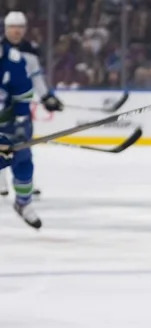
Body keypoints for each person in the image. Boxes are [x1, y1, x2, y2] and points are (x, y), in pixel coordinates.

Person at [1, 12, 60, 204]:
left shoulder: (30, 52)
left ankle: (26, 183)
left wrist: (46, 97)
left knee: (23, 146)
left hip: (19, 107)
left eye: (20, 27)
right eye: (12, 27)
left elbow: (36, 78)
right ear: (6, 28)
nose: (16, 31)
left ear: (25, 29)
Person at [0, 27, 38, 229]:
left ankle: (23, 203)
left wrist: (22, 123)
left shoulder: (13, 60)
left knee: (22, 160)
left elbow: (23, 94)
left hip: (11, 121)